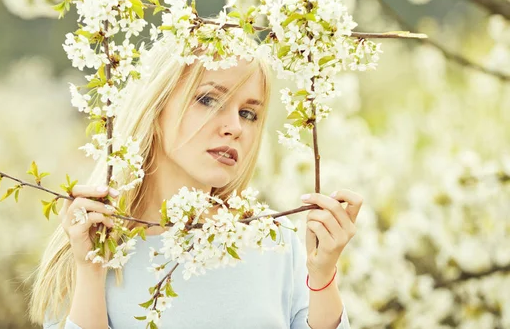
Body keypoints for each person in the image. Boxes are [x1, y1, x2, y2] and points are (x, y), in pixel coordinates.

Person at [28, 36, 360, 328]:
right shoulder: (89, 243)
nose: (235, 127)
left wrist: (322, 276)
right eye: (208, 100)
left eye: (248, 113)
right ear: (156, 106)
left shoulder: (274, 243)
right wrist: (90, 271)